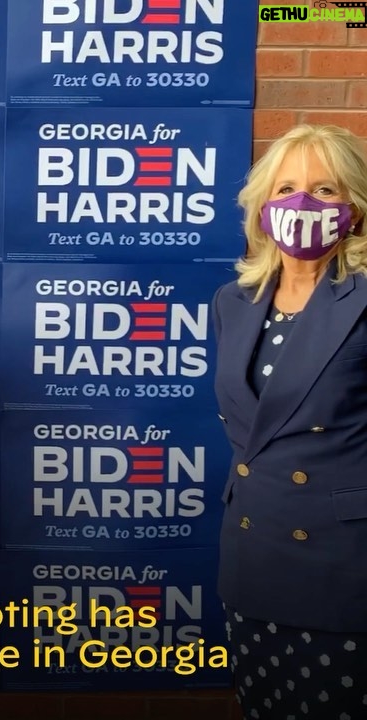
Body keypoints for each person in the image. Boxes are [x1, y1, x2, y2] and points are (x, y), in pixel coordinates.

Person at [212, 123, 367, 720]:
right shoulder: (233, 300)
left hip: (341, 564)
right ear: (263, 206)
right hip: (254, 558)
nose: (304, 204)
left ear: (353, 210)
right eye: (288, 188)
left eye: (326, 190)